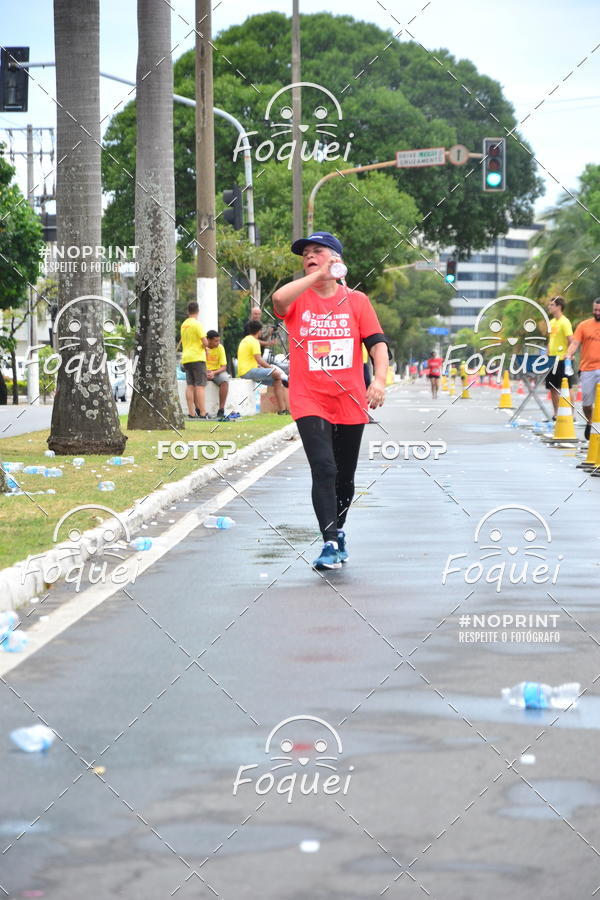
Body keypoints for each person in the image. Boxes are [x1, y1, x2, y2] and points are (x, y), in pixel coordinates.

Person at [272, 230, 388, 571]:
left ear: (336, 257)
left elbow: (377, 343)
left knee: (344, 478)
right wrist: (318, 277)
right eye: (305, 252)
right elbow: (278, 301)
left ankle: (338, 530)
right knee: (323, 467)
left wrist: (379, 380)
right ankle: (329, 541)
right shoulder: (298, 299)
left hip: (349, 398)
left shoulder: (357, 301)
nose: (309, 255)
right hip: (309, 397)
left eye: (317, 251)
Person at [565, 297, 600, 440]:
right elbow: (575, 343)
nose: (597, 312)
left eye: (599, 310)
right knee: (586, 403)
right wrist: (568, 354)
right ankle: (590, 422)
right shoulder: (584, 325)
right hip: (587, 369)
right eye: (595, 310)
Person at [237, 320, 288, 413]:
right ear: (259, 331)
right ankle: (286, 379)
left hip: (247, 371)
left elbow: (251, 360)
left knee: (277, 381)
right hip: (248, 372)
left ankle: (283, 410)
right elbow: (259, 359)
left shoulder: (246, 340)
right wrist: (271, 369)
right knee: (276, 374)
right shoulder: (254, 341)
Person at [546, 296, 576, 418]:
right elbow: (550, 341)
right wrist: (547, 354)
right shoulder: (551, 322)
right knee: (552, 388)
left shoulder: (565, 322)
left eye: (552, 305)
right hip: (551, 360)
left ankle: (571, 414)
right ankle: (556, 413)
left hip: (563, 360)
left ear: (559, 307)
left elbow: (571, 341)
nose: (549, 307)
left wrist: (569, 354)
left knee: (567, 387)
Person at [180, 301, 209, 419]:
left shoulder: (184, 325)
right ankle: (203, 412)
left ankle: (192, 413)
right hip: (197, 357)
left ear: (188, 311)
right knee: (200, 386)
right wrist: (203, 347)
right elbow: (205, 342)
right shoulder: (197, 324)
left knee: (190, 385)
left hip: (186, 358)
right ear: (198, 311)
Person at [205, 329, 230, 418]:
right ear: (208, 340)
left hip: (217, 372)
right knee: (196, 381)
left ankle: (221, 410)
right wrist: (205, 372)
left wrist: (214, 373)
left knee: (225, 380)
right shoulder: (202, 347)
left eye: (219, 340)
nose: (218, 343)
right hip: (204, 372)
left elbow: (223, 366)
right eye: (216, 341)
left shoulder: (220, 348)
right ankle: (199, 411)